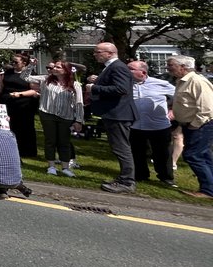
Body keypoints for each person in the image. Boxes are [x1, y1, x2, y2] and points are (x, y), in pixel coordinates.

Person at [88, 42, 136, 194]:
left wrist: (94, 88)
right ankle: (124, 178)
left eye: (97, 52)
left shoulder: (118, 67)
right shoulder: (112, 67)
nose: (95, 55)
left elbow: (121, 89)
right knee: (119, 148)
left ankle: (127, 182)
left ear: (109, 53)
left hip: (119, 114)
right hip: (115, 113)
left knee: (122, 148)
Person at [167, 55, 213, 199]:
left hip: (200, 125)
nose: (168, 68)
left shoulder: (197, 81)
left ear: (183, 67)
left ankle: (207, 190)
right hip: (192, 124)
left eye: (171, 65)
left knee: (194, 155)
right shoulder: (182, 81)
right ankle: (209, 187)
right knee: (203, 155)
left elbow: (208, 108)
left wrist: (194, 124)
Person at [128, 60, 176, 188]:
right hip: (136, 125)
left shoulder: (161, 84)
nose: (127, 71)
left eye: (131, 69)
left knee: (162, 153)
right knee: (137, 152)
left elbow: (180, 97)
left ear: (142, 72)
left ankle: (166, 177)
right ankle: (141, 175)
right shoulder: (126, 84)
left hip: (159, 125)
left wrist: (173, 111)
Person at [37, 60, 84, 177]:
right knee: (50, 141)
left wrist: (79, 120)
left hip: (66, 116)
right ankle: (51, 166)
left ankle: (65, 167)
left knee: (64, 142)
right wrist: (31, 65)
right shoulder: (46, 80)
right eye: (54, 67)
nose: (54, 69)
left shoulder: (74, 85)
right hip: (48, 114)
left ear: (65, 70)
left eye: (58, 67)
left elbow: (79, 103)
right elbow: (25, 77)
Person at [0, 53, 38, 158]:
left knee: (24, 128)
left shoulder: (30, 74)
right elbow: (1, 86)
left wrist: (19, 94)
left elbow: (34, 90)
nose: (13, 64)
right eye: (12, 62)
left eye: (16, 62)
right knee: (8, 126)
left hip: (23, 104)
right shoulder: (8, 72)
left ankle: (26, 151)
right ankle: (8, 149)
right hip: (7, 102)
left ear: (24, 63)